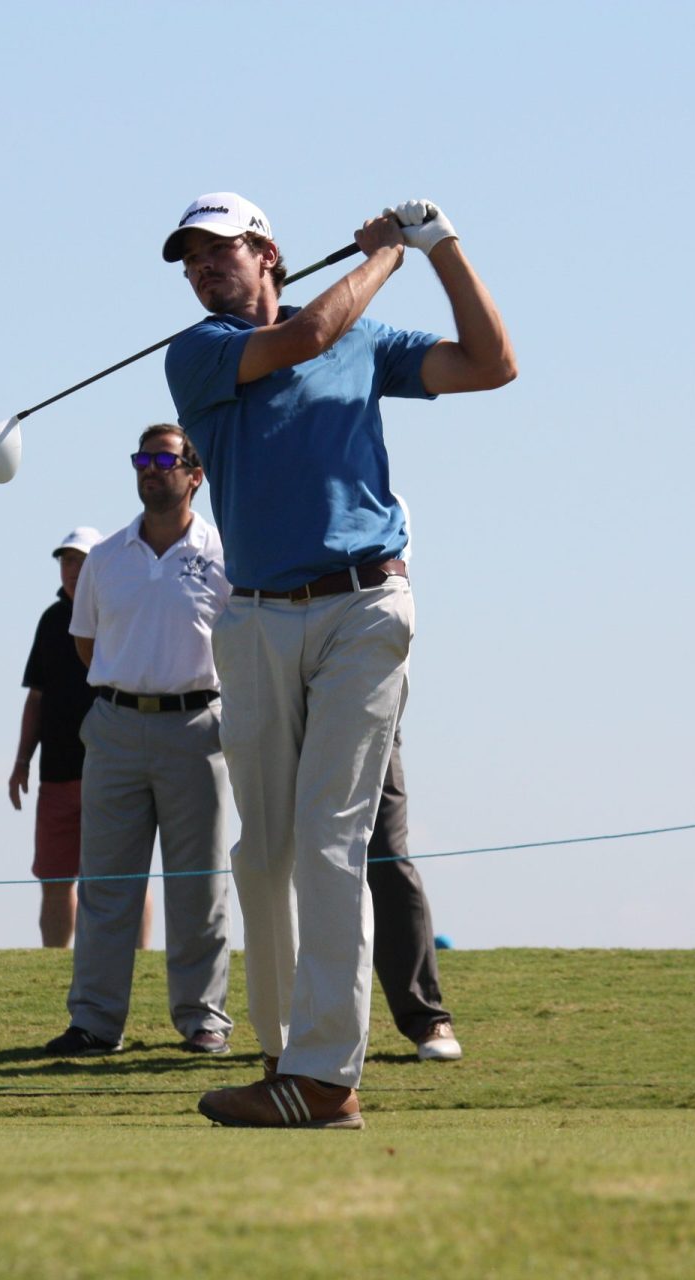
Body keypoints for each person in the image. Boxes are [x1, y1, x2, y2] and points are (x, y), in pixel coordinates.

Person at [161, 194, 515, 1128]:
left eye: (217, 253)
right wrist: (385, 256)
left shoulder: (365, 335)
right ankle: (285, 1052)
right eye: (190, 260)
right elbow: (311, 332)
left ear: (266, 251)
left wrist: (441, 248)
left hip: (366, 605)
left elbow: (493, 365)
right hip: (257, 617)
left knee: (330, 837)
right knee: (264, 849)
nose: (201, 271)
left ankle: (324, 1078)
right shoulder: (198, 352)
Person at [44, 426, 236, 1057]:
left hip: (196, 729)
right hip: (117, 726)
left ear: (195, 474)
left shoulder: (224, 552)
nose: (151, 469)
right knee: (105, 884)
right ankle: (95, 1022)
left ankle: (203, 1019)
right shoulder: (104, 558)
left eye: (165, 459)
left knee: (198, 887)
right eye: (143, 459)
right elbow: (86, 645)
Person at [10, 527, 105, 947]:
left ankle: (138, 962)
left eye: (81, 561)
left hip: (110, 769)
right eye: (66, 560)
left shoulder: (115, 612)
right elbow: (37, 698)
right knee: (54, 878)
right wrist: (21, 761)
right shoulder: (50, 621)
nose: (72, 569)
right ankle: (52, 965)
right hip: (56, 774)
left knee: (118, 877)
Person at [368, 733, 461, 1060]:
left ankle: (426, 1019)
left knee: (385, 856)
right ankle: (287, 1030)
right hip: (281, 705)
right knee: (280, 862)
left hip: (367, 709)